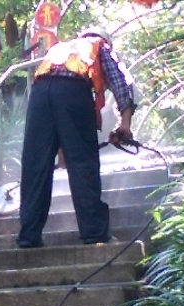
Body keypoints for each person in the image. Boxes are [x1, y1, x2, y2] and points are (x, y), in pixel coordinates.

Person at [17, 26, 136, 248]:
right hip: (73, 91)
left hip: (39, 95)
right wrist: (125, 124)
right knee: (83, 163)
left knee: (35, 165)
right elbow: (121, 83)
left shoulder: (60, 48)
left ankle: (28, 236)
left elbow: (54, 94)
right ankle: (94, 233)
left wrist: (62, 148)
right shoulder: (100, 46)